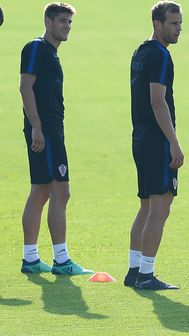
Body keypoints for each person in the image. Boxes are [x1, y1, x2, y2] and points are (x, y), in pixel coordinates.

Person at [19, 3, 93, 275]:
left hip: (48, 130)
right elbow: (25, 86)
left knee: (40, 191)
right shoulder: (36, 48)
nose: (66, 26)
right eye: (62, 21)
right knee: (61, 191)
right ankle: (61, 260)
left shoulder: (49, 52)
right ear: (48, 22)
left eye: (69, 22)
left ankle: (30, 258)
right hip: (46, 132)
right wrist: (37, 127)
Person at [124, 1, 184, 290]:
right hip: (157, 140)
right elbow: (157, 100)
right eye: (173, 24)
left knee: (147, 206)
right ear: (157, 24)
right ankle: (146, 274)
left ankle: (134, 269)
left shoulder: (141, 51)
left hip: (141, 137)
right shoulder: (160, 56)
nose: (179, 29)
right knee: (160, 207)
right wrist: (174, 142)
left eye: (180, 23)